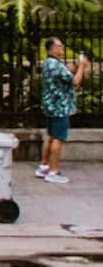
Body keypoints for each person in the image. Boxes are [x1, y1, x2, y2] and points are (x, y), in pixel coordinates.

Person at [37, 36, 90, 184]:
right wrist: (82, 67)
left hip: (50, 105)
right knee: (58, 138)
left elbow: (65, 74)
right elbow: (75, 81)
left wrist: (75, 66)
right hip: (60, 107)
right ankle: (53, 171)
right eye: (59, 46)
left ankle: (44, 166)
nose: (61, 49)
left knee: (50, 135)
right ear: (51, 48)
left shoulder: (49, 63)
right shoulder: (56, 65)